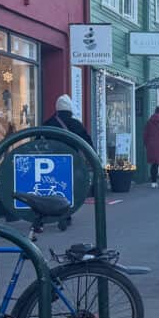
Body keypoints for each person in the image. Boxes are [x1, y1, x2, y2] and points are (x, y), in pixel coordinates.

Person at [44, 96, 93, 230]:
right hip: (71, 162)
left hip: (50, 163)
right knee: (68, 187)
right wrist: (93, 157)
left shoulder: (47, 123)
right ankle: (66, 214)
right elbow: (86, 141)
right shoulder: (75, 124)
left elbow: (38, 141)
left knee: (51, 186)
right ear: (70, 109)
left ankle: (46, 211)